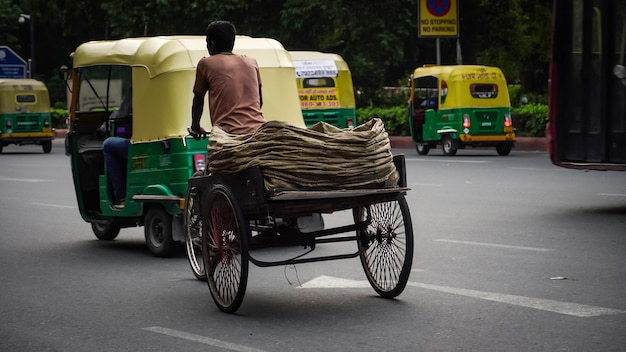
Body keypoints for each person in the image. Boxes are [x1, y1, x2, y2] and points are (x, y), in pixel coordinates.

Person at [189, 20, 265, 138]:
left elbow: (198, 99)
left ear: (211, 44)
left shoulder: (206, 64)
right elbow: (259, 100)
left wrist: (195, 127)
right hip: (258, 131)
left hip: (227, 134)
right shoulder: (252, 62)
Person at [102, 86, 132, 209]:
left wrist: (104, 128)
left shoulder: (136, 89)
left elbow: (120, 115)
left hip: (140, 144)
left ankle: (122, 196)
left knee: (108, 144)